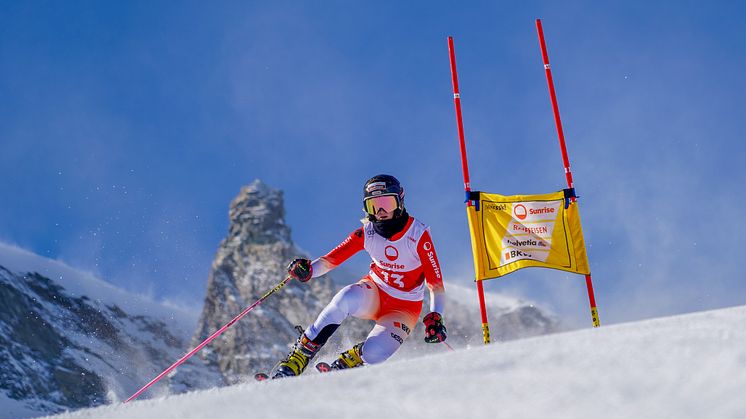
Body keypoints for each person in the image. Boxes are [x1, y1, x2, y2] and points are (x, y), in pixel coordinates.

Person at [272, 174, 447, 378]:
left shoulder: (418, 235)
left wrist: (435, 316)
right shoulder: (367, 233)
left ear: (400, 202)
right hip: (375, 291)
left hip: (405, 307)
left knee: (376, 355)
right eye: (374, 206)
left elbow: (436, 285)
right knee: (346, 297)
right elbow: (330, 261)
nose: (381, 212)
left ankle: (350, 361)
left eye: (386, 203)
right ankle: (299, 357)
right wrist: (309, 270)